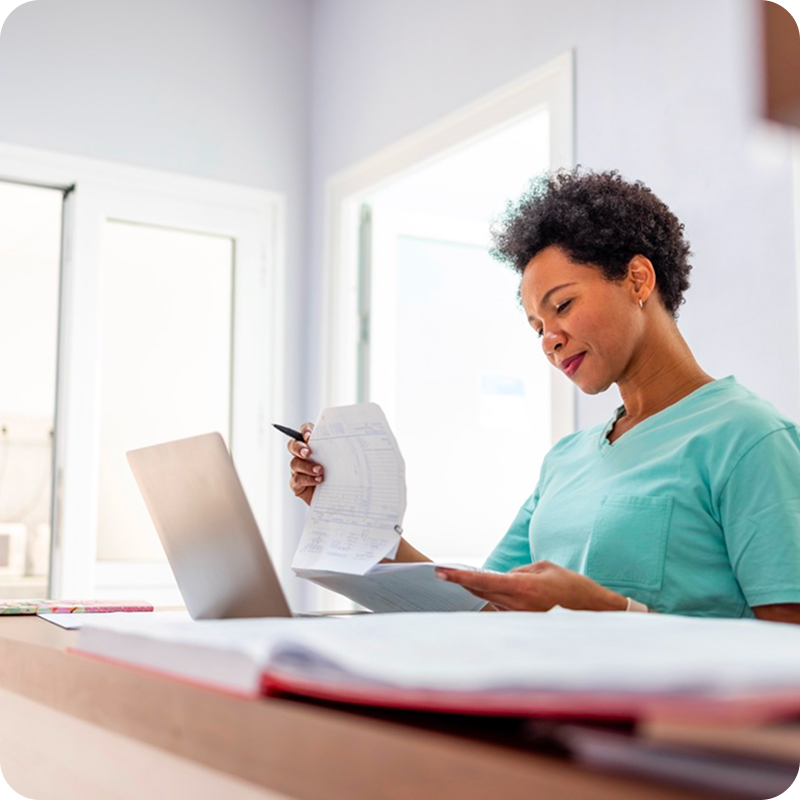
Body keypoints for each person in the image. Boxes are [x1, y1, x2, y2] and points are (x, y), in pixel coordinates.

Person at [288, 169, 800, 623]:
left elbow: (786, 648)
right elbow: (484, 608)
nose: (549, 340)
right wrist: (355, 514)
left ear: (638, 279)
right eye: (536, 326)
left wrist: (612, 612)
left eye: (563, 305)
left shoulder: (748, 438)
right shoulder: (565, 461)